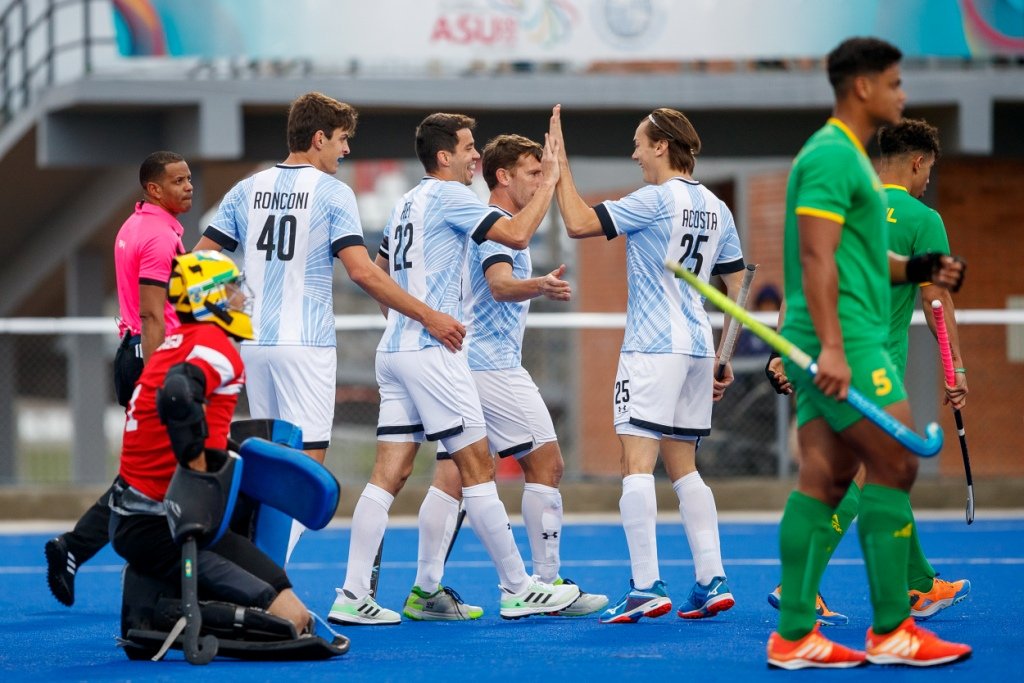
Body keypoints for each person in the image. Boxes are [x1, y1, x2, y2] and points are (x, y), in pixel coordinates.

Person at [763, 37, 971, 669]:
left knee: (827, 478)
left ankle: (795, 634)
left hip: (837, 337)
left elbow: (860, 256)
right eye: (895, 82)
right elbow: (816, 256)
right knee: (895, 462)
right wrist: (831, 346)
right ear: (862, 87)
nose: (902, 94)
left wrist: (918, 268)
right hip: (846, 340)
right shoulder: (832, 156)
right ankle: (892, 628)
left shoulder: (849, 162)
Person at [328, 113, 580, 625]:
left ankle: (353, 593)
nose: (475, 157)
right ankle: (519, 588)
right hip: (433, 352)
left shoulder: (406, 202)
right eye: (468, 148)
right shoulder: (451, 196)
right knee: (476, 470)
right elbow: (516, 235)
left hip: (394, 351)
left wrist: (408, 319)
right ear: (444, 156)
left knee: (389, 475)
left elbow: (378, 272)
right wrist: (552, 178)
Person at [194, 92, 463, 560]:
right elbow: (361, 271)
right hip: (306, 345)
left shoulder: (247, 188)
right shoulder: (333, 192)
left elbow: (199, 260)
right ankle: (258, 576)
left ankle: (245, 569)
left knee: (271, 467)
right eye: (341, 139)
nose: (346, 149)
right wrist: (427, 315)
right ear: (318, 138)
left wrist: (241, 304)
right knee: (305, 475)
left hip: (253, 344)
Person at [548, 105, 744, 623]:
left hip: (653, 348)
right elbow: (738, 284)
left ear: (661, 145)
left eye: (639, 143)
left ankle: (644, 586)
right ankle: (711, 578)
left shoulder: (654, 200)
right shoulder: (717, 207)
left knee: (635, 464)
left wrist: (559, 165)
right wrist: (724, 356)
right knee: (685, 469)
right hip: (698, 348)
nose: (634, 154)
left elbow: (577, 223)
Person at [402, 134, 608, 621]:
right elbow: (498, 284)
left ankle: (424, 589)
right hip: (490, 365)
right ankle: (545, 583)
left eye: (541, 172)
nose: (540, 181)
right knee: (547, 463)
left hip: (460, 362)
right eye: (532, 173)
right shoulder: (493, 225)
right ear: (503, 176)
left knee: (453, 475)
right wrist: (538, 285)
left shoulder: (482, 219)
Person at [110, 250, 310, 634]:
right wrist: (198, 469)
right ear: (208, 297)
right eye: (231, 288)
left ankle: (156, 601)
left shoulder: (173, 345)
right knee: (294, 620)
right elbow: (178, 394)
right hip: (167, 523)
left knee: (280, 585)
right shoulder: (213, 346)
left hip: (141, 516)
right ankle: (169, 614)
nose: (241, 296)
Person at [45, 151, 193, 607]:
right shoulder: (158, 236)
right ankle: (85, 549)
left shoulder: (135, 225)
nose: (188, 186)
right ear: (154, 189)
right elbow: (152, 314)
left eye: (189, 178)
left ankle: (81, 549)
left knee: (152, 473)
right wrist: (158, 379)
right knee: (153, 475)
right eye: (179, 181)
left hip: (135, 352)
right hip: (152, 357)